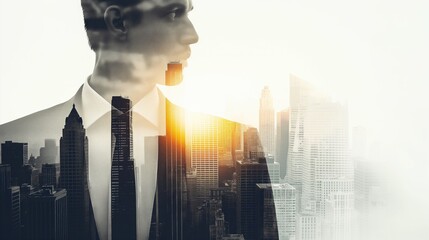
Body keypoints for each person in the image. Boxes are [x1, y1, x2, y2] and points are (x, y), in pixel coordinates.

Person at [0, 0, 277, 239]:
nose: (193, 35)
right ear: (119, 22)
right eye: (173, 13)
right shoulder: (10, 140)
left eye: (189, 13)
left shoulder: (205, 136)